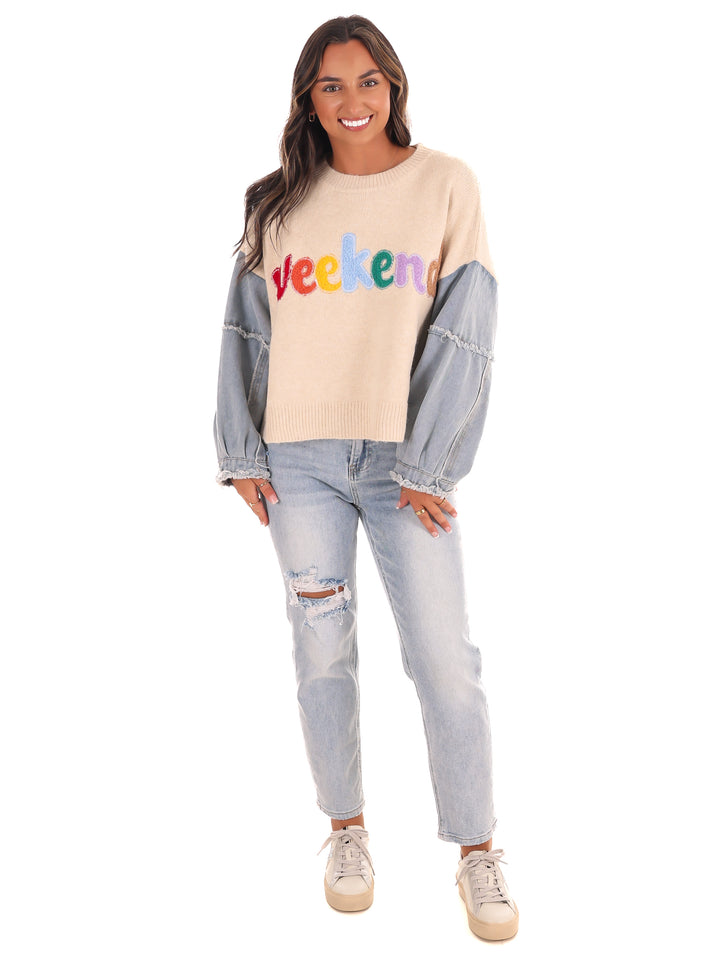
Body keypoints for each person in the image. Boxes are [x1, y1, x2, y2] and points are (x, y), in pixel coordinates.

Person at [213, 15, 519, 942]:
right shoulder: (274, 203)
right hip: (299, 464)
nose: (353, 101)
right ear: (308, 99)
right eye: (331, 85)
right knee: (321, 654)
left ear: (394, 85)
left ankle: (477, 851)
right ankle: (346, 832)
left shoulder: (446, 184)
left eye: (368, 80)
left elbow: (469, 327)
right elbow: (244, 331)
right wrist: (242, 454)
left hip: (401, 466)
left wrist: (431, 461)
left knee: (444, 661)